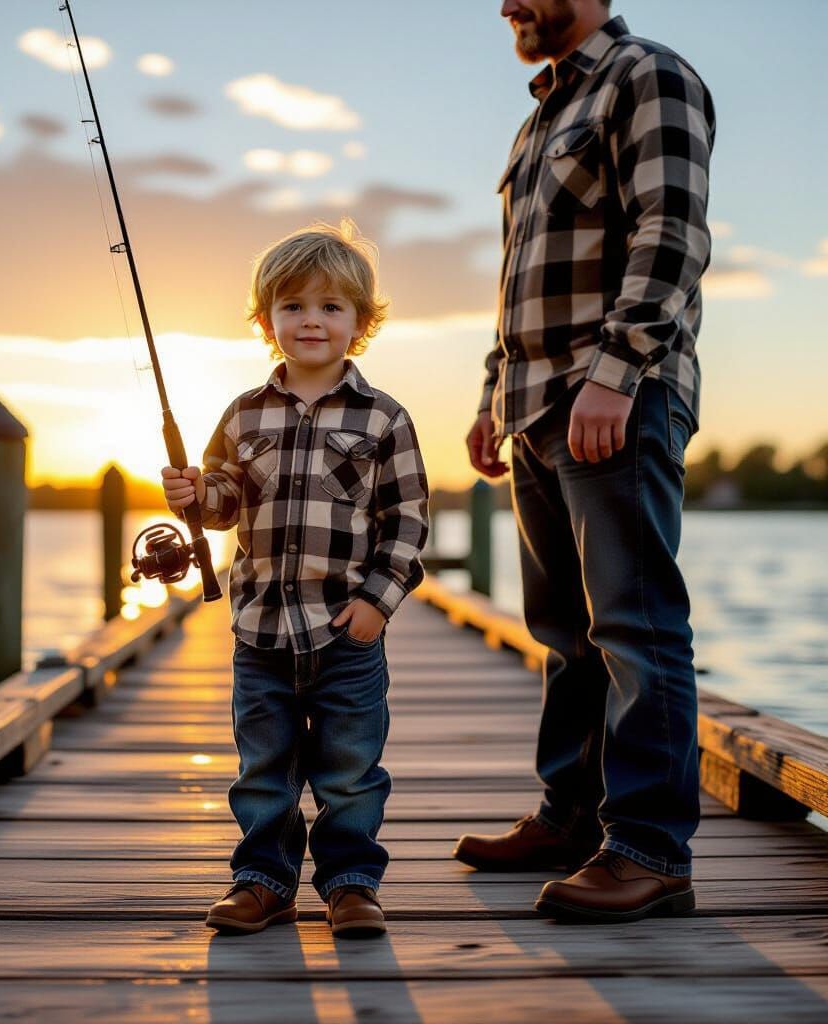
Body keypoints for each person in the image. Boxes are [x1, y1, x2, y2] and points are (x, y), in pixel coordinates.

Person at [453, 0, 716, 923]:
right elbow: (521, 277)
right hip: (532, 406)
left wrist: (615, 375)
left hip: (615, 397)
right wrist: (495, 392)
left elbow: (671, 236)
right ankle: (572, 817)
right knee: (565, 630)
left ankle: (648, 849)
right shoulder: (540, 118)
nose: (506, 4)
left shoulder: (649, 74)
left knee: (635, 626)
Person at [162, 221, 429, 937]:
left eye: (331, 306)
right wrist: (196, 496)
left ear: (361, 323)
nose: (311, 319)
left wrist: (380, 602)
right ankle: (263, 880)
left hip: (346, 630)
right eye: (293, 306)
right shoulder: (243, 413)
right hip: (260, 631)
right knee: (264, 767)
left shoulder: (384, 418)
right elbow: (222, 502)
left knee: (350, 768)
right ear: (266, 320)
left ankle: (350, 883)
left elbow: (407, 522)